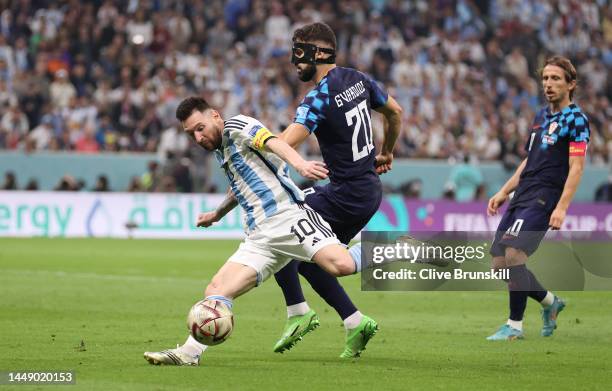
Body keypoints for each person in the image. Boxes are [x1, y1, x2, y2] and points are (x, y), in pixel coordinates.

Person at [144, 97, 368, 366]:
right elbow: (241, 187)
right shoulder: (222, 149)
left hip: (288, 219)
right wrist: (218, 213)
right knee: (216, 289)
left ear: (215, 115)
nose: (198, 137)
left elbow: (273, 141)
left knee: (340, 265)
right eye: (191, 133)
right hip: (259, 236)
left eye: (200, 128)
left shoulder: (238, 126)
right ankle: (189, 354)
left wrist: (300, 164)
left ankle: (396, 247)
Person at [270, 22, 402, 357]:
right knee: (314, 262)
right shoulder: (358, 79)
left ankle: (298, 312)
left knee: (283, 226)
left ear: (318, 52)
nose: (294, 60)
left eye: (299, 52)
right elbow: (395, 111)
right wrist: (387, 151)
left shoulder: (319, 97)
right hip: (365, 189)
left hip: (347, 193)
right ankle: (355, 321)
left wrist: (257, 149)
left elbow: (286, 143)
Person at [486, 56, 589, 341]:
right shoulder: (540, 116)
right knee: (498, 264)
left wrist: (562, 207)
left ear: (571, 84)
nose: (548, 84)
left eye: (555, 79)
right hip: (523, 193)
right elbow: (528, 160)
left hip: (545, 197)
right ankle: (549, 302)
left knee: (514, 254)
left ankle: (514, 327)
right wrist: (504, 191)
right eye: (545, 78)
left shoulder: (576, 119)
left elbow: (577, 167)